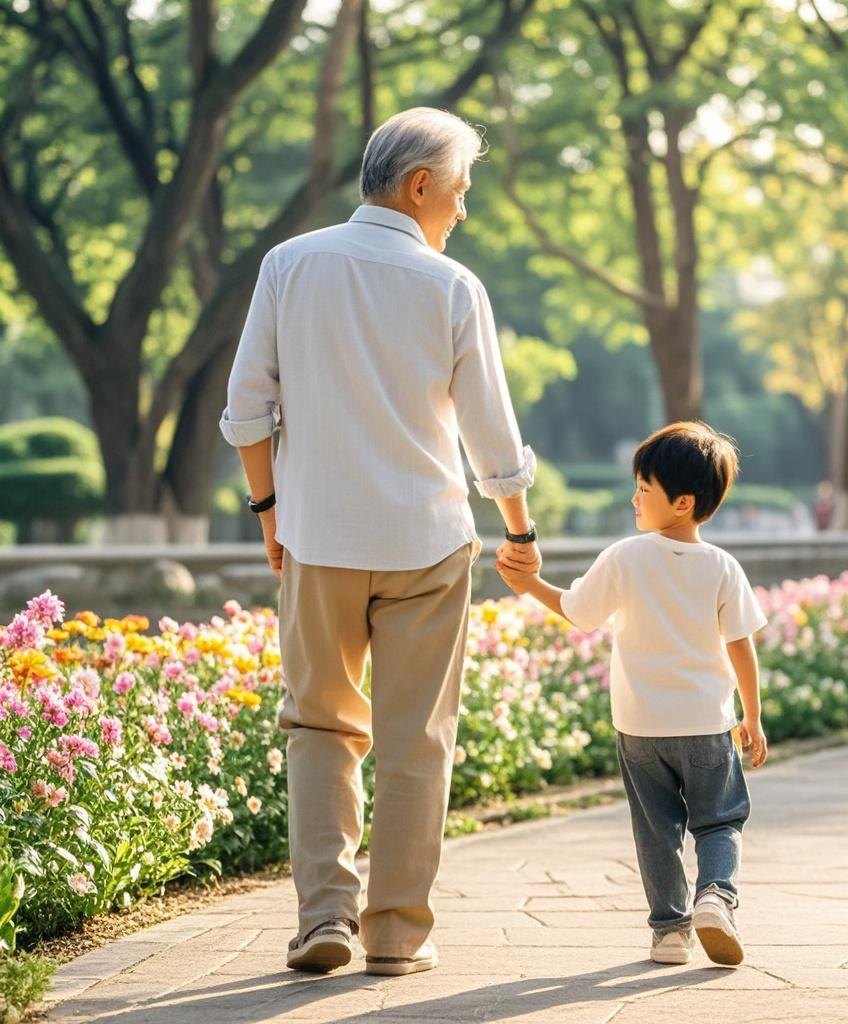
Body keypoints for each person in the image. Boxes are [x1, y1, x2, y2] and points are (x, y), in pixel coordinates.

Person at [220, 107, 541, 976]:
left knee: (319, 726)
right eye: (461, 191)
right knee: (416, 741)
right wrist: (520, 531)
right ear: (421, 185)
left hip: (318, 537)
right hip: (428, 545)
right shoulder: (450, 286)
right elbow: (493, 437)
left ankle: (324, 920)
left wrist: (270, 514)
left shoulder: (290, 264)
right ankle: (396, 936)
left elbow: (247, 407)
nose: (463, 211)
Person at [497, 421, 768, 967]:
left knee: (655, 830)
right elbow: (740, 647)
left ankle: (669, 932)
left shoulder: (624, 556)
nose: (634, 498)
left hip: (640, 727)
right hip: (706, 725)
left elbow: (577, 611)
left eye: (644, 490)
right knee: (719, 821)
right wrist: (752, 717)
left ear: (683, 502)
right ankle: (716, 894)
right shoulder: (722, 567)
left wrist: (528, 585)